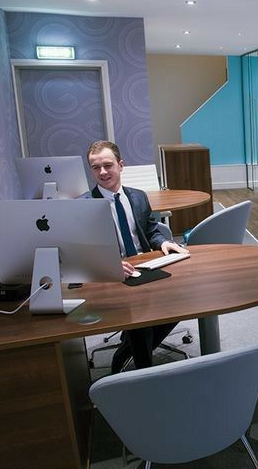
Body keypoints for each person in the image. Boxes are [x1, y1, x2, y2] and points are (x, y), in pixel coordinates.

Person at [85, 140, 189, 373]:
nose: (102, 172)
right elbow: (83, 252)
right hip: (114, 277)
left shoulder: (139, 197)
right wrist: (109, 265)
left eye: (108, 165)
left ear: (121, 165)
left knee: (185, 299)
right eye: (95, 167)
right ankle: (143, 373)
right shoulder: (84, 205)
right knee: (142, 321)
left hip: (147, 266)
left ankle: (125, 350)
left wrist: (164, 243)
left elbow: (151, 230)